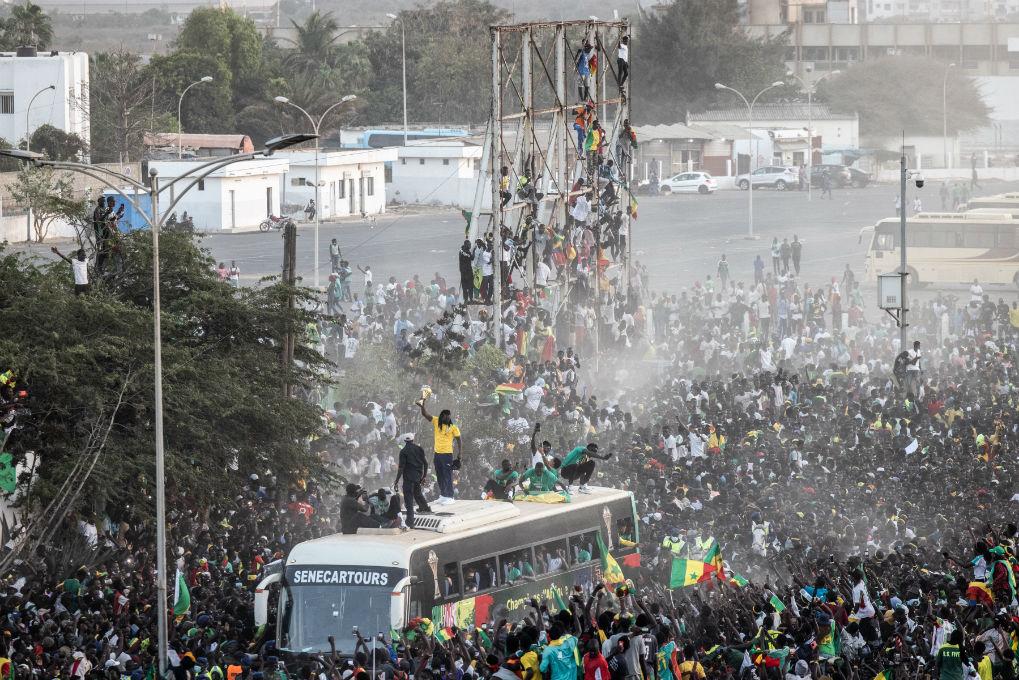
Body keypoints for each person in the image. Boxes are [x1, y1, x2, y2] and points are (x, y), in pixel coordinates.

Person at [418, 398, 462, 505]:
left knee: (447, 475)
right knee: (439, 475)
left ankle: (450, 496)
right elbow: (425, 414)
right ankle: (443, 495)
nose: (447, 418)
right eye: (445, 416)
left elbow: (459, 440)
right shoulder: (436, 421)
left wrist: (460, 453)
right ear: (442, 416)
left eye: (449, 417)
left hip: (447, 455)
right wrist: (422, 406)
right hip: (437, 454)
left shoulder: (453, 427)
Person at [393, 433, 430, 529]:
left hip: (408, 479)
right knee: (418, 493)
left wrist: (396, 480)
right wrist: (424, 476)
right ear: (413, 440)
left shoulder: (403, 451)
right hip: (418, 477)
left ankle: (410, 522)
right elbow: (425, 463)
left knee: (408, 499)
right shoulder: (419, 449)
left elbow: (401, 468)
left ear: (405, 441)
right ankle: (425, 508)